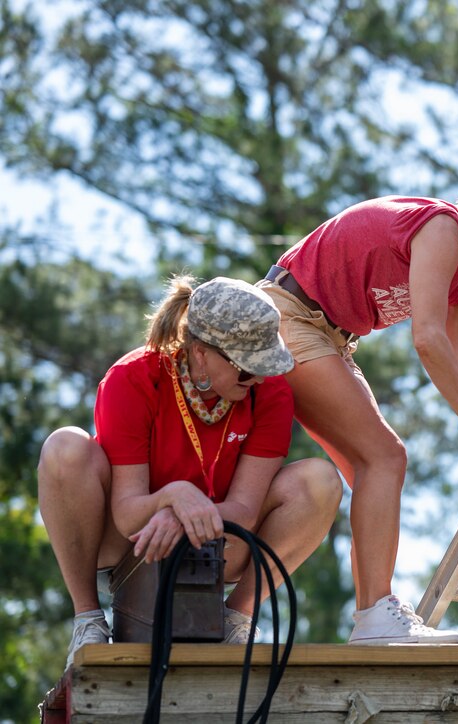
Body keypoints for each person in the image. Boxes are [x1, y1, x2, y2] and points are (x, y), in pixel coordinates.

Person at [257, 135, 458, 644]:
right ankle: (375, 616)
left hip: (327, 336)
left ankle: (249, 617)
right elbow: (427, 340)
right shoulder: (441, 228)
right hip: (286, 314)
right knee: (384, 458)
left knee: (376, 467)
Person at [38, 276, 342, 667]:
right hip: (130, 538)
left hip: (216, 540)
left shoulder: (271, 393)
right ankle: (89, 619)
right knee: (64, 448)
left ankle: (237, 618)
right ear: (200, 353)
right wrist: (172, 496)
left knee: (320, 481)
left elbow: (245, 511)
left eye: (266, 364)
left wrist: (179, 514)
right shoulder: (132, 377)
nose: (260, 379)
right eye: (247, 370)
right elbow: (128, 512)